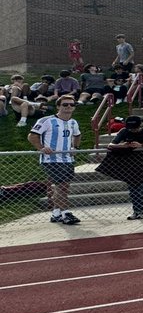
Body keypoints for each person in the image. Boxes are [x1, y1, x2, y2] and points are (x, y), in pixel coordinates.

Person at [28, 96, 82, 225]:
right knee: (61, 186)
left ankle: (56, 213)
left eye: (71, 105)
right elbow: (32, 136)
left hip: (68, 159)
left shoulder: (73, 122)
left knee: (64, 187)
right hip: (51, 159)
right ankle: (66, 213)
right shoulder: (46, 120)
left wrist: (75, 147)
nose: (68, 107)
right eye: (65, 105)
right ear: (58, 106)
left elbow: (77, 135)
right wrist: (41, 147)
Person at [102, 115, 143, 220]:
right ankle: (136, 210)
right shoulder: (124, 131)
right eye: (130, 128)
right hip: (128, 163)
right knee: (133, 188)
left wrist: (141, 146)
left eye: (135, 127)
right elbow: (111, 144)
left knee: (142, 187)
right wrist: (124, 145)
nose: (132, 130)